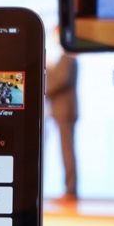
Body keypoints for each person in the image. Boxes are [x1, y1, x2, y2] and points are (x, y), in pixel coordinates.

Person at [47, 33, 79, 200]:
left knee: (67, 151)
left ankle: (70, 191)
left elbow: (61, 81)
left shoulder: (68, 57)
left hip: (65, 111)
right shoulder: (64, 58)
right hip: (62, 112)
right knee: (66, 150)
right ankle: (69, 190)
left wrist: (43, 89)